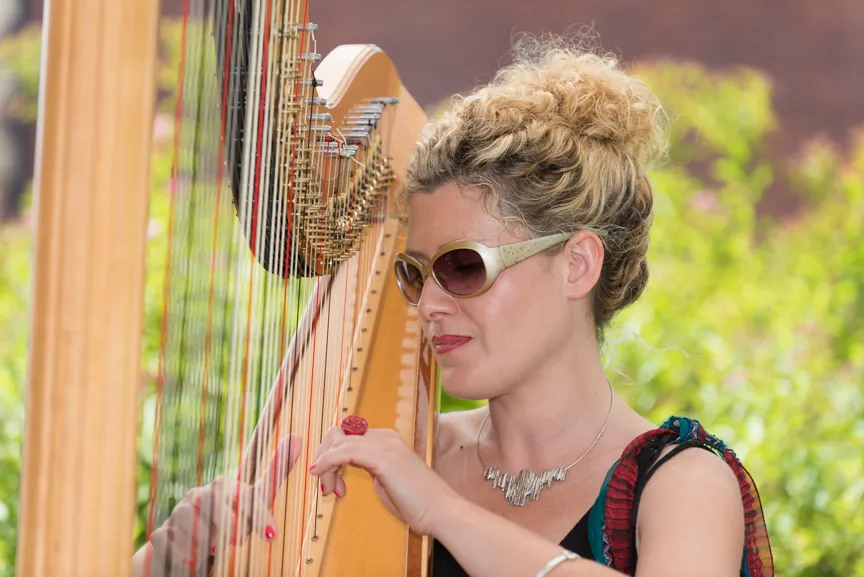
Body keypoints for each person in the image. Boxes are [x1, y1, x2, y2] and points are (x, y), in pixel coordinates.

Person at [135, 35, 773, 576]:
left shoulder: (681, 484)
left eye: (463, 266)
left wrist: (441, 510)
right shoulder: (390, 455)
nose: (428, 305)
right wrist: (165, 559)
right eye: (415, 273)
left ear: (577, 264)